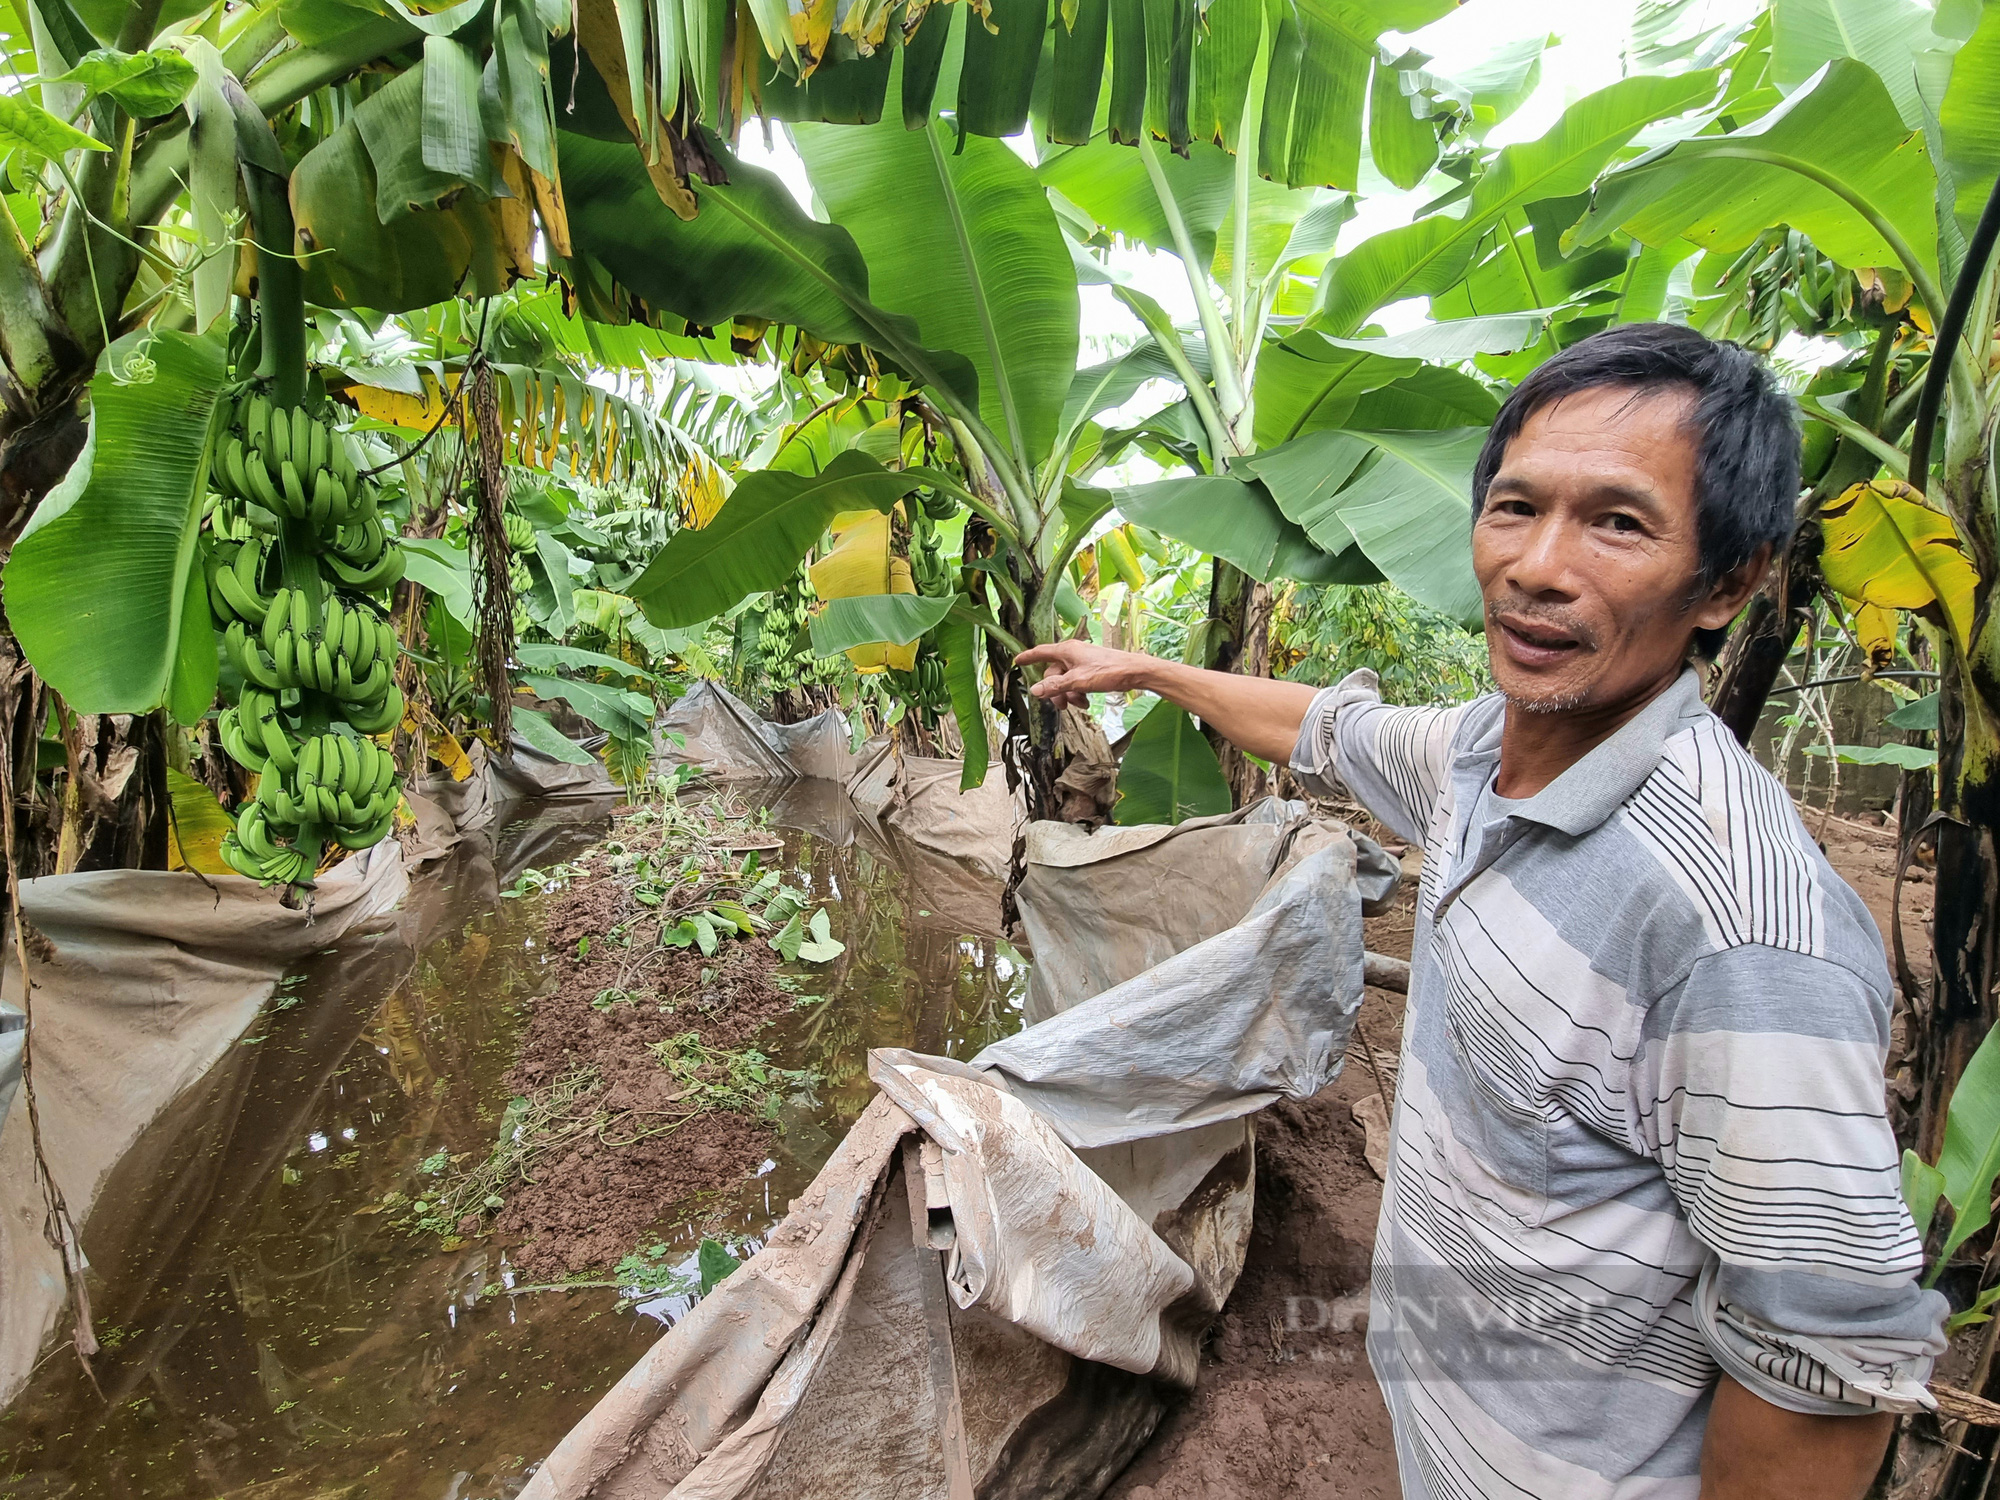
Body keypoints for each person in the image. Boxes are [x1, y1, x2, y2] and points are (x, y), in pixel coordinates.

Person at [1016, 323, 1947, 1500]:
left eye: (1616, 523)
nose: (1537, 566)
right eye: (1513, 508)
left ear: (1727, 581)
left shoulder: (1737, 930)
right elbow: (1321, 726)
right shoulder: (1473, 757)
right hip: (1448, 1429)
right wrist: (1146, 672)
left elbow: (1822, 1362)